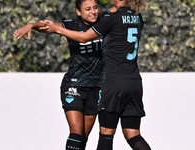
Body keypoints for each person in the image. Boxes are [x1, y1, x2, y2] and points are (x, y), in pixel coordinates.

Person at [40, 0, 151, 149]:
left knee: (106, 135)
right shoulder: (138, 17)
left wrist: (57, 29)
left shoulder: (112, 18)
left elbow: (84, 37)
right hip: (134, 81)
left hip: (113, 82)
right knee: (133, 134)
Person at [13, 0, 116, 150]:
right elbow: (49, 26)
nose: (93, 12)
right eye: (87, 9)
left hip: (96, 86)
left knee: (83, 138)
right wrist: (32, 26)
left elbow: (119, 7)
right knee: (75, 133)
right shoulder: (71, 25)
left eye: (95, 7)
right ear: (78, 12)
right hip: (74, 84)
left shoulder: (103, 20)